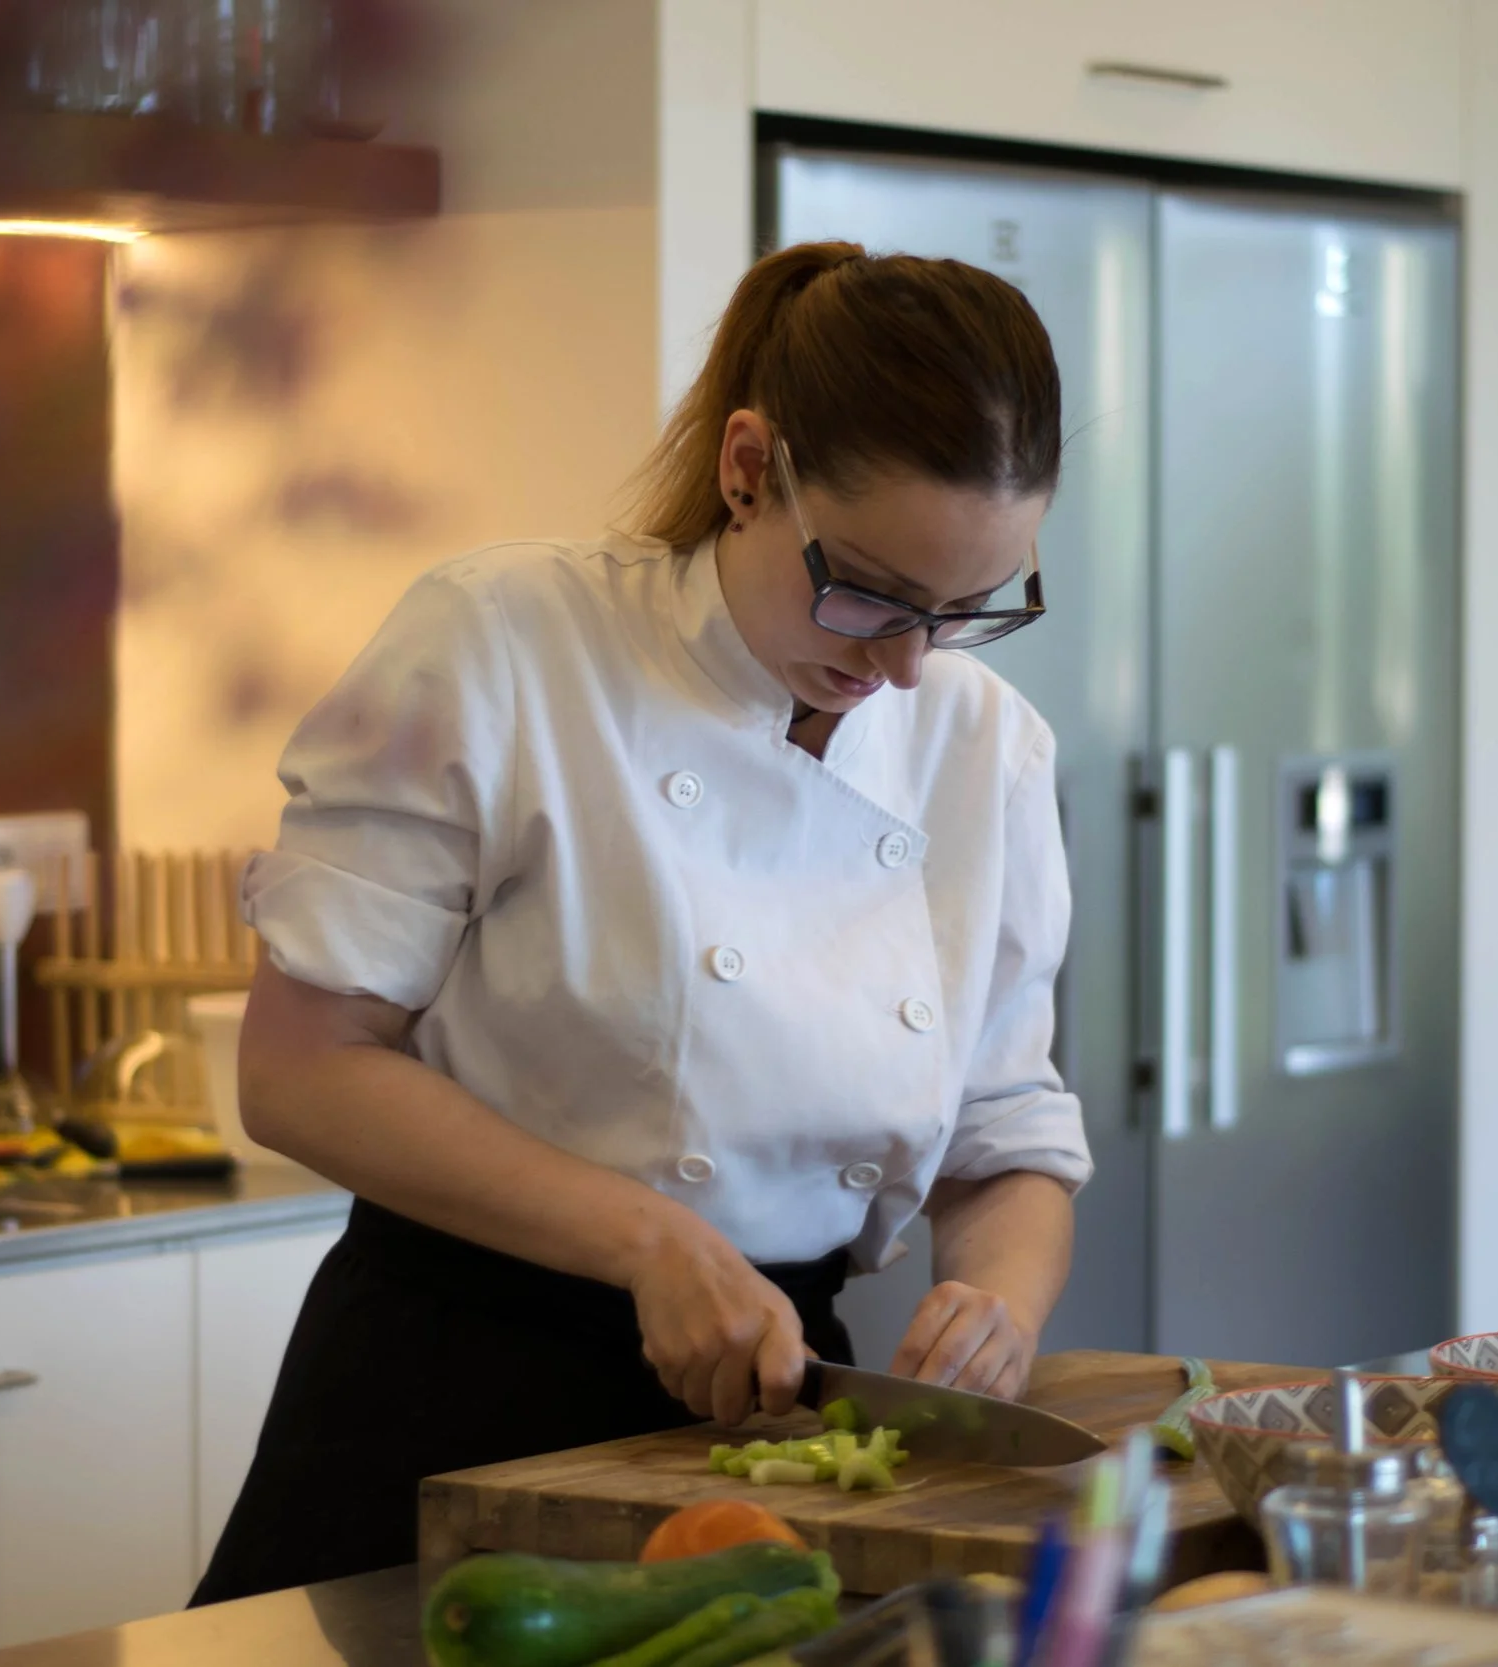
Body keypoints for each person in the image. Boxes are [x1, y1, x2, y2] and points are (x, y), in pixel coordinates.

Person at [192, 240, 1091, 1604]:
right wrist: (652, 1239)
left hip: (771, 1426)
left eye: (967, 610)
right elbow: (300, 1067)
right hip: (454, 1392)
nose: (904, 666)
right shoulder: (501, 642)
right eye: (869, 593)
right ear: (748, 470)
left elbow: (1007, 1132)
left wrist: (998, 1308)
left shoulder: (987, 746)